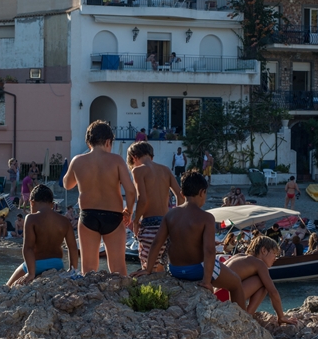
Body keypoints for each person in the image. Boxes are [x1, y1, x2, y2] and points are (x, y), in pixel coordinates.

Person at [133, 172, 247, 310]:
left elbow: (157, 243)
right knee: (235, 283)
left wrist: (148, 269)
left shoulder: (170, 215)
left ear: (182, 194)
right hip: (197, 270)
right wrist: (206, 281)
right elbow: (209, 251)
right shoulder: (206, 218)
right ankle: (243, 318)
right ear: (202, 192)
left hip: (174, 269)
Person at [63, 120, 138, 275]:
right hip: (114, 215)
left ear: (88, 142)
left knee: (88, 269)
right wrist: (129, 212)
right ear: (108, 141)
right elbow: (130, 191)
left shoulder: (78, 160)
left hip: (88, 216)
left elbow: (67, 184)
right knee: (118, 269)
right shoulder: (116, 160)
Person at [6, 184, 79, 286]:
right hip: (57, 264)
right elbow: (73, 247)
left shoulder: (31, 218)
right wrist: (73, 270)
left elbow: (28, 248)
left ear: (31, 203)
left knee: (8, 286)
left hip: (36, 265)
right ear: (52, 204)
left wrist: (31, 273)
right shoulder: (64, 221)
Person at [127, 141, 183, 272]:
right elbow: (180, 197)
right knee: (162, 269)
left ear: (134, 157)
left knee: (148, 269)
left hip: (150, 225)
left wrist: (135, 221)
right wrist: (176, 220)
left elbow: (143, 199)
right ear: (151, 156)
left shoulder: (138, 170)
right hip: (167, 224)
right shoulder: (165, 169)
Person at [219, 236, 298, 323]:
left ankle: (246, 313)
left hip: (216, 297)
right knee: (265, 283)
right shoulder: (259, 264)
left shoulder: (240, 257)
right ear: (263, 250)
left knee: (261, 280)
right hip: (226, 298)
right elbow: (273, 292)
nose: (275, 258)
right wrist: (281, 316)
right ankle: (247, 316)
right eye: (274, 254)